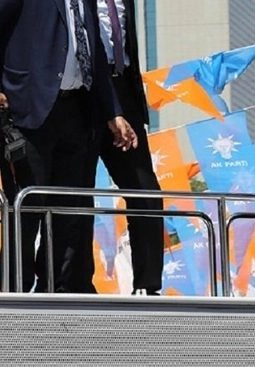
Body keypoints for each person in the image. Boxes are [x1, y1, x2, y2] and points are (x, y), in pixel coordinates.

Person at [0, 0, 137, 292]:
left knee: (68, 209)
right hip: (28, 111)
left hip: (76, 111)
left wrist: (113, 112)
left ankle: (56, 290)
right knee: (28, 207)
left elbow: (95, 52)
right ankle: (15, 292)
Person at [72, 0, 164, 295]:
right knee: (78, 193)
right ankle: (78, 284)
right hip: (81, 92)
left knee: (146, 192)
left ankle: (148, 285)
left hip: (123, 90)